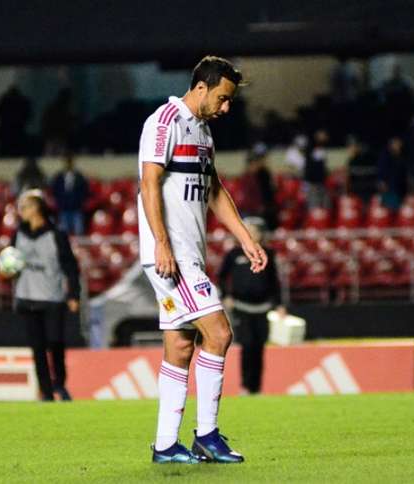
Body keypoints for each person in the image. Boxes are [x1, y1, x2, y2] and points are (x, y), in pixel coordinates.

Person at [139, 55, 267, 464]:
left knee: (180, 344)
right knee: (219, 333)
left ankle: (164, 445)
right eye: (223, 98)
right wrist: (161, 244)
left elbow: (213, 191)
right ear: (201, 88)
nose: (226, 107)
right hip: (171, 255)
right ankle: (207, 435)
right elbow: (148, 183)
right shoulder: (164, 122)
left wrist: (245, 237)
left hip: (188, 253)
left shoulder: (203, 134)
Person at [5, 189, 80, 401]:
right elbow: (9, 263)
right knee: (37, 347)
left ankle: (60, 384)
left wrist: (74, 294)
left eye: (25, 206)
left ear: (38, 208)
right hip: (27, 298)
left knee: (55, 343)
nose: (21, 211)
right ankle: (46, 391)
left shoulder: (57, 235)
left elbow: (70, 267)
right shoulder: (17, 235)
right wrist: (6, 272)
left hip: (52, 298)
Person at [217, 217, 284, 395]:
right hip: (242, 307)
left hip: (263, 307)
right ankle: (246, 386)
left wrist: (279, 304)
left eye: (255, 231)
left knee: (259, 346)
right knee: (246, 345)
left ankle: (257, 387)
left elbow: (274, 281)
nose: (252, 234)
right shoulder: (234, 254)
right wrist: (226, 296)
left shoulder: (268, 253)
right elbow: (221, 276)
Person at [51, 152, 88, 235]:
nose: (68, 164)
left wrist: (80, 202)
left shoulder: (79, 176)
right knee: (64, 234)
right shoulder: (59, 177)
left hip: (77, 209)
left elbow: (84, 191)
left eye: (70, 162)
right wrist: (60, 202)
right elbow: (55, 191)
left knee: (79, 233)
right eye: (66, 162)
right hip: (63, 209)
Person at [377, 136, 409, 210]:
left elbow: (405, 172)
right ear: (391, 144)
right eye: (396, 144)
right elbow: (381, 170)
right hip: (389, 187)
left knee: (399, 208)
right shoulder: (385, 155)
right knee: (388, 207)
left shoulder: (403, 156)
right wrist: (382, 181)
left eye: (399, 144)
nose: (398, 146)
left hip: (400, 187)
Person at [304, 129, 330, 208]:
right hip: (313, 183)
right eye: (323, 135)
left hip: (322, 182)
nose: (325, 137)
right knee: (314, 205)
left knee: (325, 204)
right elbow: (311, 167)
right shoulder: (311, 148)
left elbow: (322, 166)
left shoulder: (322, 149)